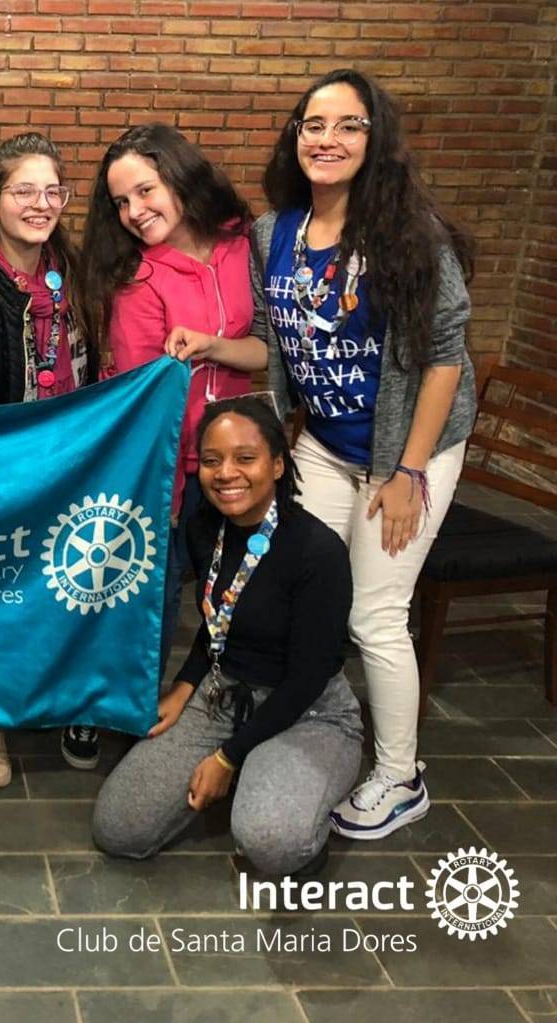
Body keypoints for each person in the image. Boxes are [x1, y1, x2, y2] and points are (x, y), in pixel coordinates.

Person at [254, 68, 477, 840]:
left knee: (374, 611)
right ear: (295, 136)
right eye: (313, 124)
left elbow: (444, 359)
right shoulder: (274, 232)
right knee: (305, 584)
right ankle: (312, 719)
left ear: (375, 139)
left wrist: (408, 471)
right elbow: (271, 341)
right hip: (323, 443)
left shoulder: (412, 236)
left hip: (410, 448)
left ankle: (399, 776)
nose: (328, 139)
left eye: (348, 125)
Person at [92, 397, 363, 876]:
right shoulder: (204, 529)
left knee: (271, 844)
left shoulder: (318, 552)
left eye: (246, 458)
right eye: (212, 461)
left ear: (277, 465)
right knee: (118, 828)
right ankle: (254, 771)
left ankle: (287, 789)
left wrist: (227, 757)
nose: (226, 474)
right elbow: (219, 618)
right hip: (223, 693)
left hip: (307, 711)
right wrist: (185, 686)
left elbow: (307, 678)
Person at [80, 124, 267, 684]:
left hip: (244, 457)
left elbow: (265, 350)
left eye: (145, 190)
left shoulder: (244, 244)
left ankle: (220, 697)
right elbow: (145, 404)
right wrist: (165, 491)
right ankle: (130, 704)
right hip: (177, 467)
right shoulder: (138, 278)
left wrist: (211, 345)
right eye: (120, 202)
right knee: (155, 597)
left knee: (240, 589)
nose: (134, 212)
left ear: (179, 177)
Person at [0, 132, 95, 787]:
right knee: (0, 599)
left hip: (82, 459)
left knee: (79, 585)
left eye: (53, 190)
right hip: (14, 476)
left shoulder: (75, 270)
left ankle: (77, 700)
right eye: (23, 191)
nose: (41, 204)